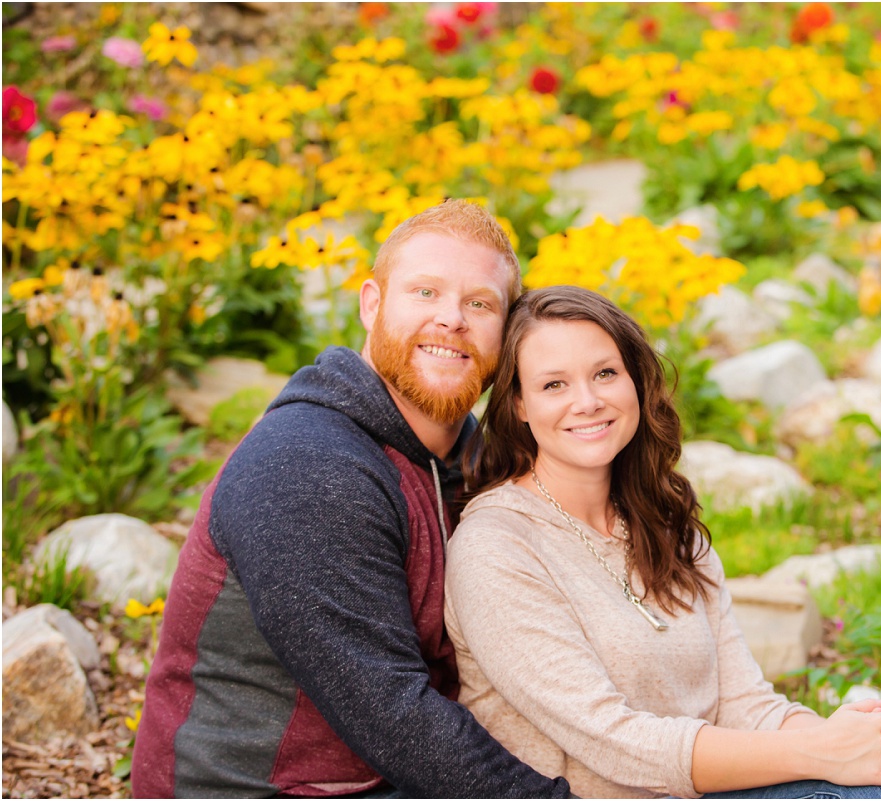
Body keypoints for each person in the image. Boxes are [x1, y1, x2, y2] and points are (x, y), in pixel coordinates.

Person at [445, 285, 881, 800]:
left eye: (605, 373)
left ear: (636, 382)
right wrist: (823, 752)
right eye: (554, 384)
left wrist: (860, 742)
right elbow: (615, 743)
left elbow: (743, 703)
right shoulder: (496, 547)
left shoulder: (662, 518)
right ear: (519, 405)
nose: (587, 401)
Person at [132, 201, 571, 798]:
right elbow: (395, 718)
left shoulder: (469, 460)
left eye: (479, 303)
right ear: (371, 305)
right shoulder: (307, 468)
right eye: (424, 292)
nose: (451, 320)